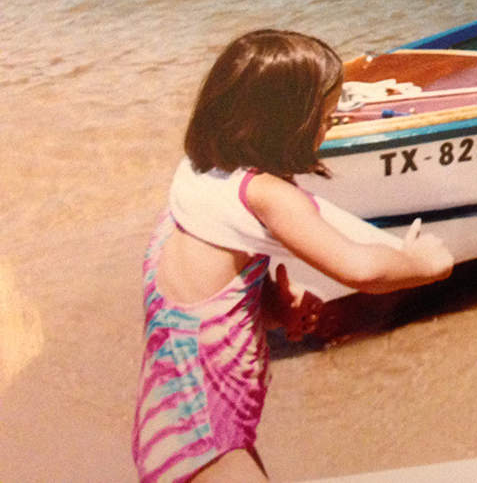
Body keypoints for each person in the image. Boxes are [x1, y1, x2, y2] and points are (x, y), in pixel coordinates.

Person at [131, 29, 454, 482]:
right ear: (286, 124)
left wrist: (270, 305)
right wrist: (423, 263)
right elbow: (360, 269)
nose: (331, 125)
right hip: (208, 441)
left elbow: (193, 295)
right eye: (324, 116)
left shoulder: (198, 180)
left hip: (169, 420)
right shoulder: (267, 196)